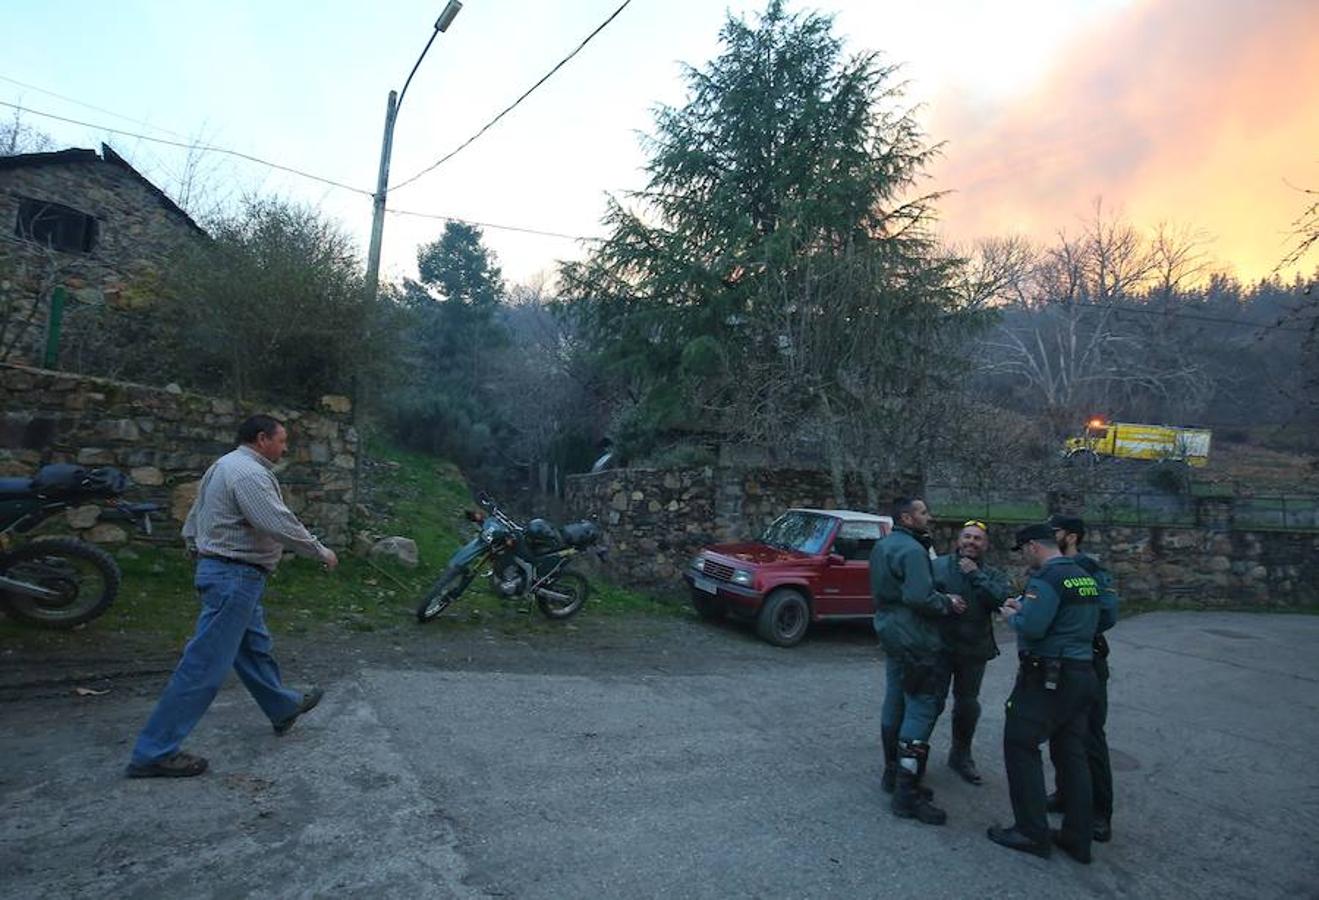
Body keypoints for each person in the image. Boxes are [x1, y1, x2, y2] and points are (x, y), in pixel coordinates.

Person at [125, 414, 339, 778]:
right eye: (282, 440)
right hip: (235, 577)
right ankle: (154, 752)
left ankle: (282, 706)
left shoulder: (224, 465)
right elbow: (276, 521)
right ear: (261, 439)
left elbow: (197, 513)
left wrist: (196, 546)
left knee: (253, 647)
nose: (285, 448)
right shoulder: (250, 474)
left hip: (230, 575)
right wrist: (319, 550)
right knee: (204, 665)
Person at [988, 523, 1112, 863]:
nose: (1024, 557)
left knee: (1019, 743)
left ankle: (1031, 831)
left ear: (1031, 547)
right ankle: (1078, 836)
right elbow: (1098, 618)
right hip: (1083, 673)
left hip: (1048, 676)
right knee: (1073, 752)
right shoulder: (1083, 575)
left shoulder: (1047, 579)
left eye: (1023, 551)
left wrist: (1011, 614)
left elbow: (1033, 627)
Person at [870, 497, 967, 825]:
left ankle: (892, 773)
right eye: (924, 512)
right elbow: (918, 597)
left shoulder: (884, 546)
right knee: (922, 706)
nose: (930, 516)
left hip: (892, 633)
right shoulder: (912, 551)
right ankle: (906, 794)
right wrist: (947, 602)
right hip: (916, 637)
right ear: (907, 517)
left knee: (895, 699)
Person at [1046, 514, 1120, 843]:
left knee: (1090, 738)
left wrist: (1074, 631)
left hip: (1086, 661)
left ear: (1072, 537)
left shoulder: (1090, 569)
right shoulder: (1053, 568)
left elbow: (1108, 612)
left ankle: (1100, 813)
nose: (1050, 538)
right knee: (1060, 732)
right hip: (1057, 663)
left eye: (1055, 532)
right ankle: (1065, 794)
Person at [932, 520, 1012, 785]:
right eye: (967, 537)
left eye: (978, 539)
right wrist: (945, 601)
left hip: (974, 649)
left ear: (985, 545)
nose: (971, 542)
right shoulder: (939, 565)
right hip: (940, 647)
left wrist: (975, 574)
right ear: (958, 540)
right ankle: (915, 754)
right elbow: (921, 595)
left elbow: (1001, 599)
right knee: (931, 702)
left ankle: (961, 755)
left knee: (967, 704)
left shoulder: (992, 573)